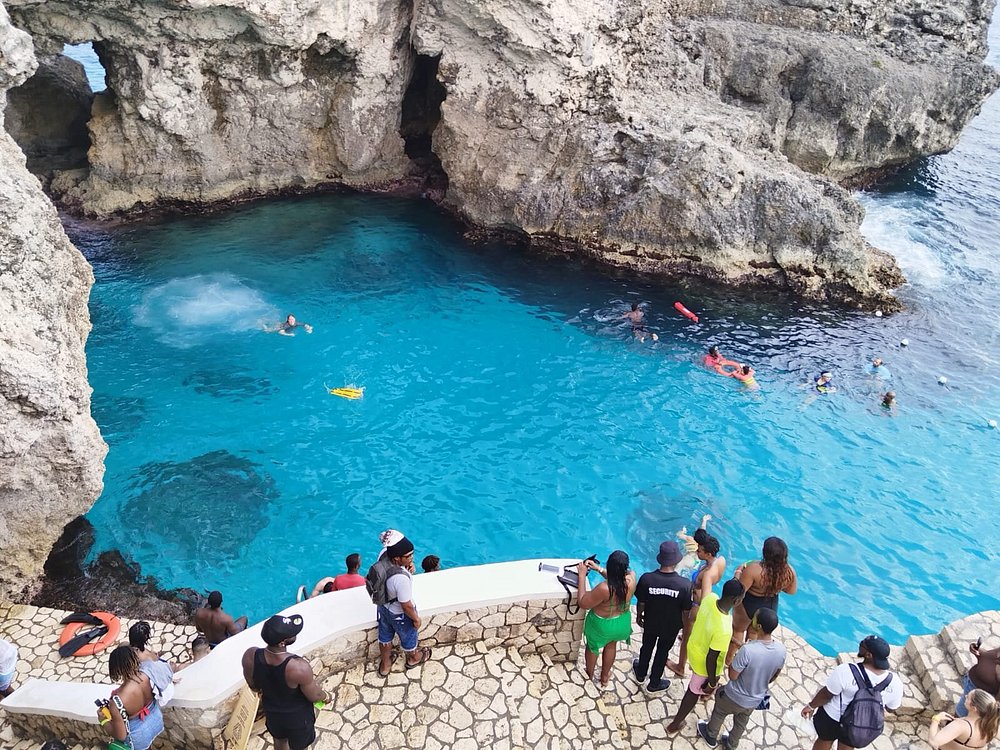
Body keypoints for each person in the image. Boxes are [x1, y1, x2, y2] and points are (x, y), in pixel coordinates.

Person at [698, 607, 786, 749]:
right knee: (741, 721)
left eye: (755, 617)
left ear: (759, 626)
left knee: (720, 712)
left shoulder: (748, 650)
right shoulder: (781, 650)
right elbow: (774, 675)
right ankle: (732, 744)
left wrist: (736, 658)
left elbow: (733, 676)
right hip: (755, 699)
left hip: (734, 696)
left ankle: (710, 735)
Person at [666, 579, 746, 735]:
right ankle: (675, 724)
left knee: (700, 688)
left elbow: (708, 624)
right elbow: (712, 657)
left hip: (694, 648)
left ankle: (704, 693)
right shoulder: (724, 628)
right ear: (736, 600)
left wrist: (733, 640)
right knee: (693, 691)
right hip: (704, 664)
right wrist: (711, 680)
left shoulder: (710, 598)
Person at [801, 635, 904, 750]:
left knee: (824, 740)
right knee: (847, 747)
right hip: (858, 723)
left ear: (868, 655)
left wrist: (811, 706)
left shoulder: (846, 670)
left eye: (863, 644)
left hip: (832, 717)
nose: (860, 644)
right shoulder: (895, 683)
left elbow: (827, 695)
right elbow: (891, 708)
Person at [241, 614, 328, 750]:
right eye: (291, 633)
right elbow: (314, 696)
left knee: (279, 741)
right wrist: (326, 697)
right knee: (300, 746)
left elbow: (254, 686)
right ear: (282, 643)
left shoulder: (250, 655)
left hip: (272, 712)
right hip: (298, 718)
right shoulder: (299, 667)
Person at [633, 541, 692, 693]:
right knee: (662, 652)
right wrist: (685, 628)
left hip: (651, 622)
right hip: (671, 627)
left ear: (660, 558)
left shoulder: (647, 579)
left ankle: (640, 673)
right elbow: (686, 611)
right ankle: (654, 683)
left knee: (646, 647)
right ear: (677, 560)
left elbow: (641, 602)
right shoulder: (684, 585)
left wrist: (639, 615)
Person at [728, 537, 797, 665]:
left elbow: (739, 590)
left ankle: (729, 660)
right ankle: (746, 661)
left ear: (765, 553)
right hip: (769, 606)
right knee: (754, 633)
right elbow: (791, 591)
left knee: (738, 630)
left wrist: (738, 572)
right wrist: (775, 587)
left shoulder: (754, 569)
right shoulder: (789, 572)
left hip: (748, 604)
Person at [669, 534, 726, 678]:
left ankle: (680, 666)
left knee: (687, 637)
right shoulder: (720, 560)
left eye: (699, 551)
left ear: (708, 554)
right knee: (687, 633)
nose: (697, 552)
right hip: (697, 600)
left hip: (696, 606)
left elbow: (706, 600)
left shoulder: (707, 575)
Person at [577, 550, 637, 688]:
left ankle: (589, 674)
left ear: (610, 566)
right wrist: (598, 569)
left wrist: (581, 576)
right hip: (621, 622)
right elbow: (617, 581)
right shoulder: (631, 578)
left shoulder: (604, 588)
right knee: (611, 645)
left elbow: (583, 603)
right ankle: (604, 677)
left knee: (593, 648)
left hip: (602, 625)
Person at [373, 536, 432, 676]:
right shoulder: (401, 579)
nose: (412, 557)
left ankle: (385, 666)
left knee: (385, 636)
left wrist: (406, 565)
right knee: (409, 636)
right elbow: (406, 605)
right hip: (400, 614)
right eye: (408, 556)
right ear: (397, 558)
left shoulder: (383, 554)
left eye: (412, 554)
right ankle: (413, 658)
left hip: (383, 607)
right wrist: (416, 619)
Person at [97, 646, 164, 750]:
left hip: (139, 736)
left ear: (116, 669)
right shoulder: (147, 674)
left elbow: (121, 736)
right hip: (155, 720)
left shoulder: (117, 701)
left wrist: (103, 721)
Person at [929, 689, 1000, 749]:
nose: (965, 696)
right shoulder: (992, 726)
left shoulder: (961, 726)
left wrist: (936, 718)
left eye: (968, 697)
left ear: (974, 708)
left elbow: (933, 742)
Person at [956, 638, 1000, 716]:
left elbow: (997, 703)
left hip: (978, 698)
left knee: (960, 716)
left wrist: (992, 712)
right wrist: (978, 650)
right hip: (971, 685)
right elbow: (990, 657)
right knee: (958, 712)